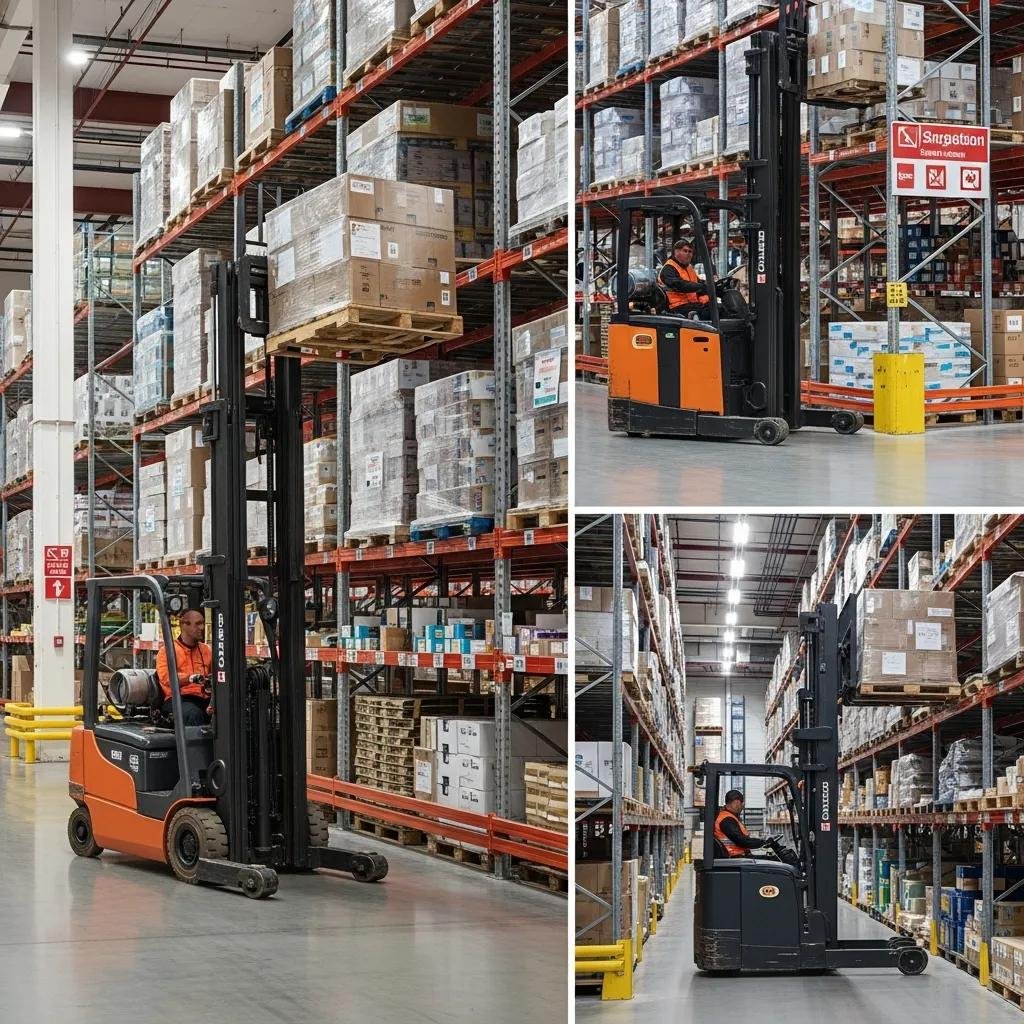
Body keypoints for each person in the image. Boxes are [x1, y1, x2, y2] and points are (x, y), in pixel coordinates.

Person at [155, 609, 212, 726]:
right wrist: (190, 678)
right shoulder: (167, 651)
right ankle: (196, 745)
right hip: (178, 699)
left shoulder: (206, 650)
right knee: (193, 714)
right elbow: (167, 678)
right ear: (184, 625)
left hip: (203, 698)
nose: (202, 628)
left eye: (202, 623)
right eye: (198, 624)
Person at [658, 239, 712, 318]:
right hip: (677, 307)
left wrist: (711, 286)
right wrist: (702, 286)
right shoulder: (669, 268)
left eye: (690, 252)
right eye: (685, 251)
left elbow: (697, 282)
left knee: (718, 308)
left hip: (691, 304)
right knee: (710, 312)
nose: (688, 254)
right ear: (676, 252)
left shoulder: (689, 268)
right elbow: (680, 285)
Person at [714, 789, 769, 858]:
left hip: (736, 857)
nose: (742, 806)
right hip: (734, 858)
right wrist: (763, 842)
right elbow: (742, 841)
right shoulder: (727, 819)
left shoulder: (727, 816)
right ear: (737, 802)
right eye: (742, 803)